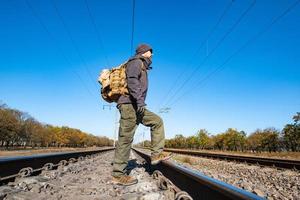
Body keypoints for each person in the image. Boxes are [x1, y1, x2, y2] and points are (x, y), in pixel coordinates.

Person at [112, 44, 172, 186]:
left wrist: (139, 103)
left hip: (136, 106)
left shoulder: (142, 65)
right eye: (150, 53)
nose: (152, 55)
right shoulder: (135, 62)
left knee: (157, 121)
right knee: (125, 139)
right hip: (129, 104)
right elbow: (132, 80)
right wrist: (139, 101)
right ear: (144, 52)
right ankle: (118, 175)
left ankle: (156, 154)